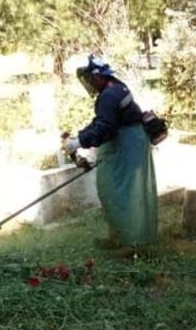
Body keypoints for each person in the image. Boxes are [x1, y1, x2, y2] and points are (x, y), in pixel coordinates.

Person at [64, 55, 158, 250]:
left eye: (89, 79)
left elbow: (106, 127)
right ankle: (118, 236)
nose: (88, 83)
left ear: (97, 76)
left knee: (121, 192)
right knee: (117, 190)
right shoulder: (114, 87)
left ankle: (131, 243)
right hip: (129, 142)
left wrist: (79, 142)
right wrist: (80, 137)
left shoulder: (109, 95)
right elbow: (101, 121)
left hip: (127, 145)